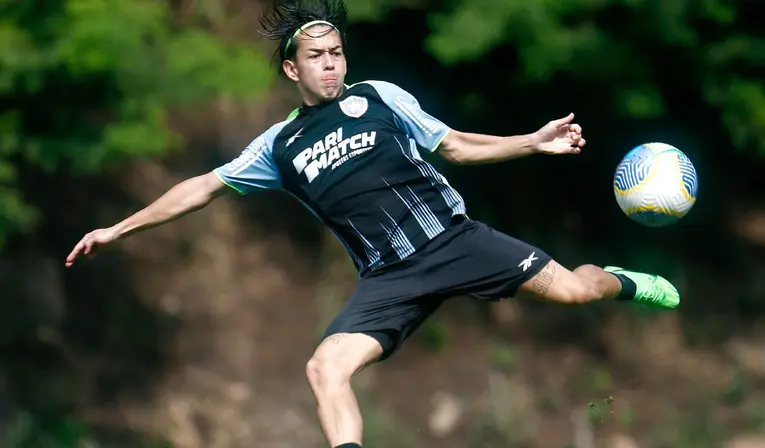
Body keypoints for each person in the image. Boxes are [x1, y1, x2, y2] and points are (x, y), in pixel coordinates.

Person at [65, 1, 680, 446]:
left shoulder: (380, 97)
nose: (330, 65)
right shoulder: (279, 146)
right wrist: (119, 229)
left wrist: (532, 141)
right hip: (390, 281)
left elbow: (457, 147)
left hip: (457, 241)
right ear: (291, 70)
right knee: (323, 367)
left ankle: (624, 280)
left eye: (336, 54)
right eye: (317, 57)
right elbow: (200, 188)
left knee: (576, 290)